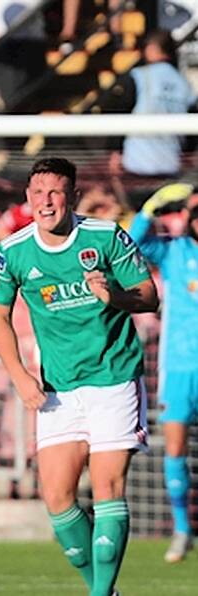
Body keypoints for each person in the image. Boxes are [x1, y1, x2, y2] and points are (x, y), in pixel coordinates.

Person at [0, 157, 158, 596]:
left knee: (107, 489)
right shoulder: (12, 251)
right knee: (58, 500)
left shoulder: (104, 236)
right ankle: (105, 591)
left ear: (73, 196)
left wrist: (114, 295)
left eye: (56, 192)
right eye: (38, 193)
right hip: (57, 388)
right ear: (27, 198)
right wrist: (20, 376)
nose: (47, 202)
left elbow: (148, 297)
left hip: (114, 379)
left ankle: (101, 595)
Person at [129, 182, 198, 562]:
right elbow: (132, 245)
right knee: (174, 447)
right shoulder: (174, 253)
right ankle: (182, 530)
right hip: (178, 367)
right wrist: (150, 208)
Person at [108, 29, 197, 210]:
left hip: (137, 167)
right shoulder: (185, 84)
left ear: (152, 49)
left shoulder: (139, 76)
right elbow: (191, 134)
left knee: (139, 225)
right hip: (172, 167)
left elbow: (119, 113)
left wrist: (115, 149)